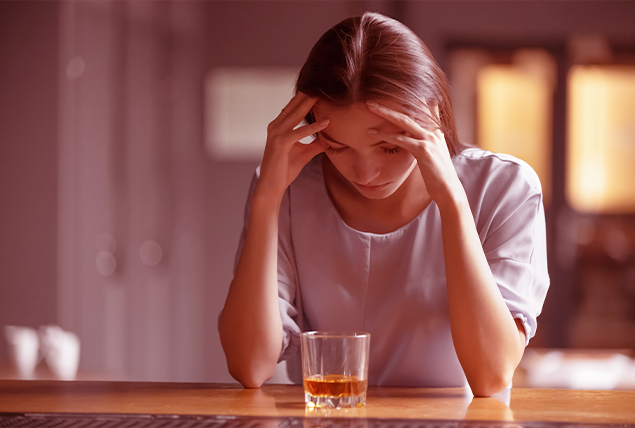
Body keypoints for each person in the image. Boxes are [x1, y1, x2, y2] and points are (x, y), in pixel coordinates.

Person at [218, 11, 549, 396]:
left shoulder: (505, 187)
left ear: (433, 116)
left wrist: (452, 202)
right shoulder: (288, 189)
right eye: (338, 148)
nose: (365, 172)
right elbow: (250, 366)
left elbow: (491, 375)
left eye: (390, 147)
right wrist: (266, 200)